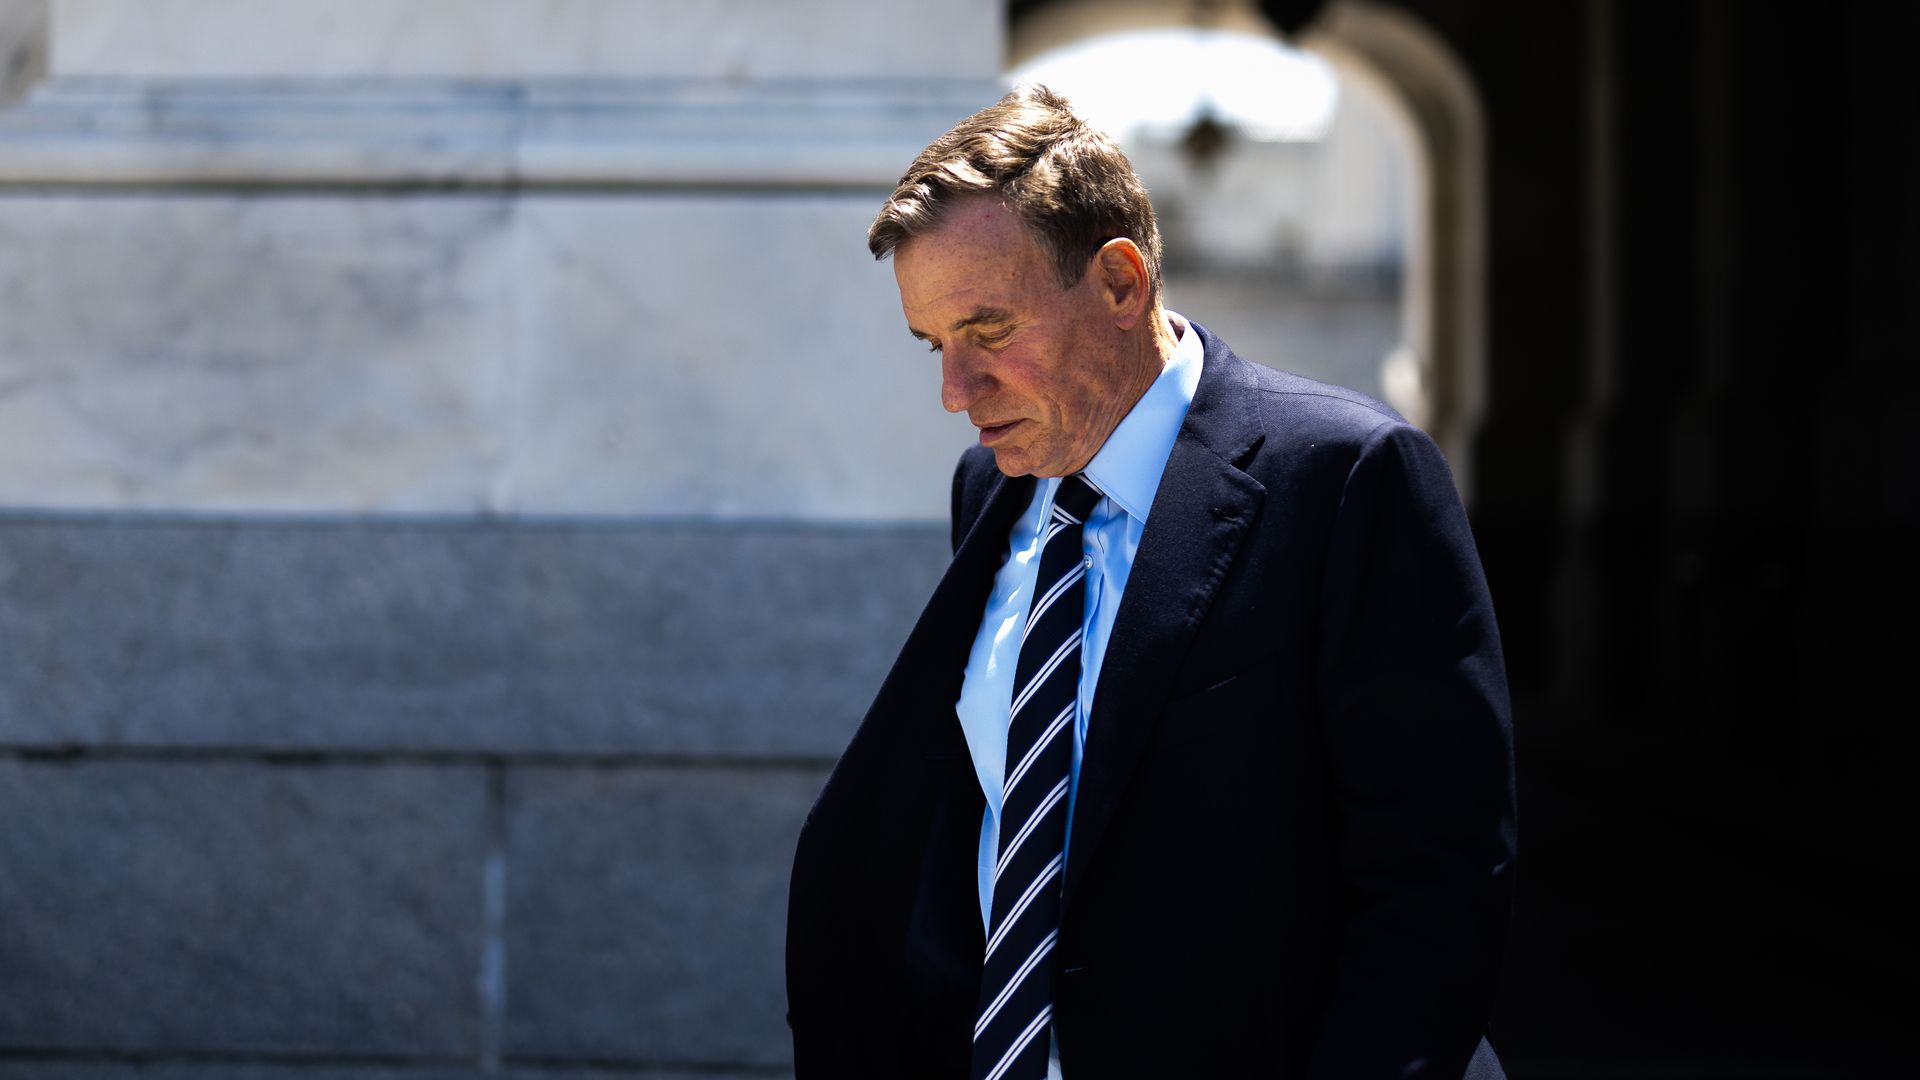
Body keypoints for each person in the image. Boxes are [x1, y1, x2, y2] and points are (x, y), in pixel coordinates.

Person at [787, 85, 1514, 1080]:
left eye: (989, 330)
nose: (955, 394)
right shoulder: (990, 488)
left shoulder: (1346, 478)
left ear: (1121, 283)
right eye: (935, 345)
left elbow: (1435, 888)